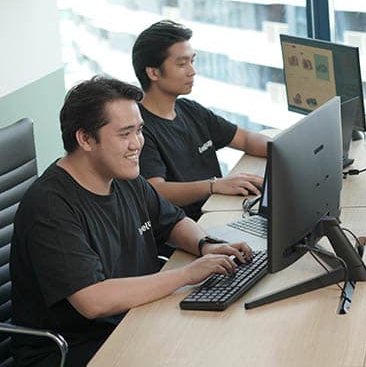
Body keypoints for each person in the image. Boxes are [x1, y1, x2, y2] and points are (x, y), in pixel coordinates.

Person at [10, 76, 252, 366]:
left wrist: (205, 245)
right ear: (85, 139)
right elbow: (93, 301)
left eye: (139, 131)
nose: (137, 143)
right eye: (125, 134)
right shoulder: (51, 206)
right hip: (78, 348)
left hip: (136, 317)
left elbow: (171, 222)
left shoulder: (125, 176)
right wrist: (187, 274)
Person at [132, 20, 270, 220]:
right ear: (153, 72)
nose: (192, 71)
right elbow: (156, 190)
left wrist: (283, 151)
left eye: (192, 61)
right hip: (192, 225)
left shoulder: (191, 110)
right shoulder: (139, 129)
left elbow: (245, 139)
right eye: (181, 64)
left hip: (222, 208)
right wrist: (214, 185)